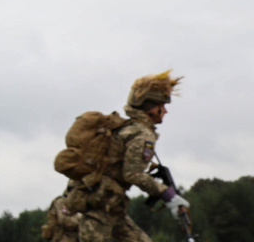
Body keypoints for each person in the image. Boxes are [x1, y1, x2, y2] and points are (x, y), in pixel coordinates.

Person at [73, 71, 187, 242]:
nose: (165, 111)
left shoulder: (127, 128)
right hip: (101, 210)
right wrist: (168, 195)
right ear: (151, 107)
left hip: (110, 208)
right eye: (161, 106)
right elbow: (132, 174)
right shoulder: (142, 134)